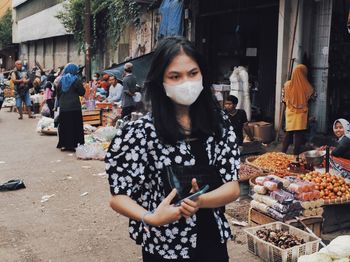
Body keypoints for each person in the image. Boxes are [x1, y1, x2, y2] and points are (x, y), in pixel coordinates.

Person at [106, 36, 240, 262]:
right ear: (161, 81)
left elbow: (233, 187)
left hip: (211, 242)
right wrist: (151, 217)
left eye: (193, 73)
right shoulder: (141, 133)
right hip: (164, 246)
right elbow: (118, 197)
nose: (186, 82)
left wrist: (199, 201)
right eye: (175, 76)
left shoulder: (218, 124)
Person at [282, 64, 314, 155]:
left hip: (290, 112)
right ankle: (295, 155)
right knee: (299, 134)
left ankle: (282, 153)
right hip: (301, 114)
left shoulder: (287, 85)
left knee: (289, 133)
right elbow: (312, 99)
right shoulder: (308, 87)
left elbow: (283, 100)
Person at [56, 63, 85, 152]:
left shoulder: (60, 81)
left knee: (64, 125)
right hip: (74, 107)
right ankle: (74, 144)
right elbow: (82, 92)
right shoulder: (76, 80)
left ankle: (64, 145)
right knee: (74, 125)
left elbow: (58, 94)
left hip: (64, 107)